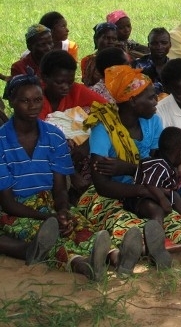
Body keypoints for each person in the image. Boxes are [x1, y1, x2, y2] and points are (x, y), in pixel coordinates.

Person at [78, 64, 181, 267]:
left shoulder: (152, 122)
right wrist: (142, 189)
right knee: (120, 217)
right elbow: (102, 185)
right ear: (132, 101)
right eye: (150, 97)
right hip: (109, 194)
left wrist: (131, 171)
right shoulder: (103, 129)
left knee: (166, 212)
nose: (156, 101)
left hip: (146, 187)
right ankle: (145, 248)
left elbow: (158, 165)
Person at [0, 72, 125, 280]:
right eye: (25, 101)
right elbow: (8, 203)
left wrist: (62, 211)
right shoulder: (2, 141)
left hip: (49, 203)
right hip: (15, 211)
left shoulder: (53, 135)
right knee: (44, 235)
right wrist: (48, 218)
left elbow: (59, 187)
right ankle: (82, 264)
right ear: (12, 102)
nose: (33, 106)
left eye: (38, 100)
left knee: (77, 225)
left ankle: (116, 256)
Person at [38, 49, 108, 201]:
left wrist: (87, 144)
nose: (65, 87)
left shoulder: (77, 90)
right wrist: (71, 172)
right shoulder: (36, 100)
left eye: (69, 82)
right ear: (44, 78)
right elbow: (39, 137)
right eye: (59, 82)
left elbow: (108, 111)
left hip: (80, 152)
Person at [132, 27, 172, 97]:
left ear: (170, 45)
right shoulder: (138, 65)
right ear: (148, 46)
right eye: (154, 43)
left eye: (164, 43)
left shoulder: (174, 67)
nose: (159, 47)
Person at [80, 22, 120, 87]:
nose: (111, 42)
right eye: (107, 38)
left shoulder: (120, 60)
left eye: (114, 39)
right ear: (96, 39)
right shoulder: (87, 61)